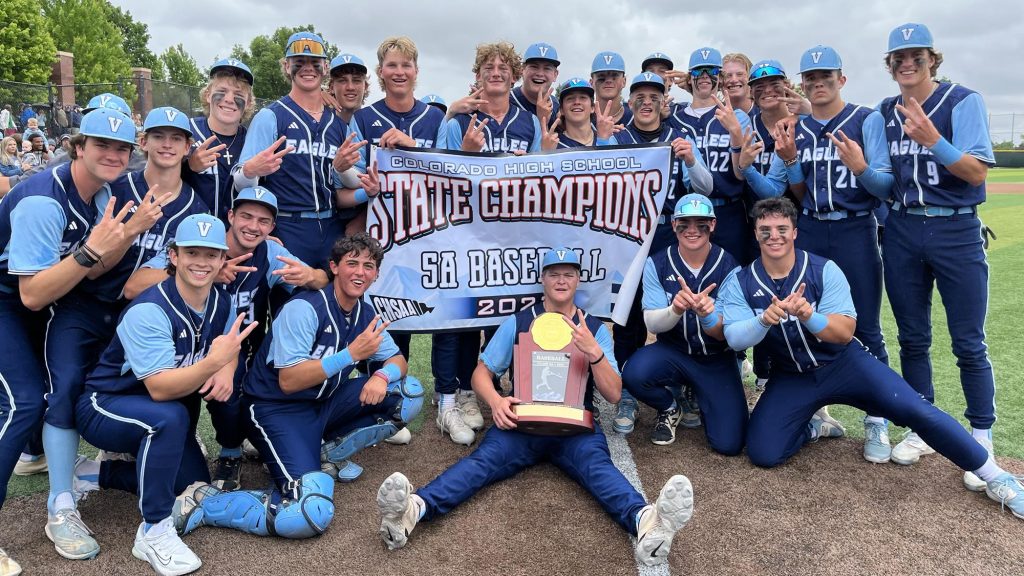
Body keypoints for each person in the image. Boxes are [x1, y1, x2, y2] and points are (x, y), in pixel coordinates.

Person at [375, 248, 695, 566]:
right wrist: (497, 401)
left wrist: (594, 353)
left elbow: (613, 394)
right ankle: (410, 512)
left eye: (568, 273)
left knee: (598, 469)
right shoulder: (520, 321)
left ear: (578, 279)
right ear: (542, 279)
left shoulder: (593, 328)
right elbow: (481, 373)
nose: (561, 280)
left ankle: (647, 524)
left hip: (575, 429)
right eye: (554, 273)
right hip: (521, 423)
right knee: (480, 464)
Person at [717, 197, 1024, 522]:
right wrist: (763, 320)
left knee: (916, 409)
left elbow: (845, 332)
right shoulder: (741, 279)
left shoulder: (823, 269)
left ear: (795, 232)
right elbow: (735, 337)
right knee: (764, 452)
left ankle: (996, 477)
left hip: (845, 365)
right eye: (765, 230)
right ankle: (815, 427)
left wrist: (810, 316)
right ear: (755, 233)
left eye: (782, 228)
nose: (774, 236)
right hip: (793, 376)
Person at [173, 233, 422, 539]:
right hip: (276, 409)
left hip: (324, 403)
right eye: (352, 263)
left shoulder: (365, 313)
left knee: (407, 393)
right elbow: (289, 381)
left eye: (368, 266)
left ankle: (326, 453)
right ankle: (204, 503)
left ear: (376, 274)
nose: (360, 272)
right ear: (333, 267)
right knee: (307, 514)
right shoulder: (304, 308)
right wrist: (351, 355)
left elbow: (397, 359)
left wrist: (381, 376)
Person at [39, 107, 192, 563]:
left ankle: (106, 467)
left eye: (176, 138)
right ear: (142, 143)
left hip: (140, 317)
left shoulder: (194, 203)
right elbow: (93, 268)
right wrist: (130, 231)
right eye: (157, 136)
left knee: (151, 393)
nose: (166, 145)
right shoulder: (113, 185)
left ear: (187, 146)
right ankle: (60, 503)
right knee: (64, 388)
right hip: (84, 306)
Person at [74, 214, 256, 576]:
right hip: (106, 406)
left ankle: (93, 475)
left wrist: (227, 367)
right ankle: (153, 530)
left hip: (153, 409)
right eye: (192, 252)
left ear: (222, 260)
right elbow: (160, 388)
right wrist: (213, 363)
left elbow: (229, 346)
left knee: (190, 484)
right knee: (169, 418)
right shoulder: (151, 307)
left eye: (210, 254)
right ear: (173, 256)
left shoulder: (221, 300)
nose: (201, 262)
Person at [738, 47, 894, 462]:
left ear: (841, 79)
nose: (818, 82)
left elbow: (884, 187)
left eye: (825, 75)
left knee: (866, 324)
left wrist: (860, 168)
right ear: (802, 83)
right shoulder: (794, 127)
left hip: (856, 227)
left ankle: (877, 420)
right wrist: (772, 163)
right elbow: (777, 193)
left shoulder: (866, 119)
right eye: (811, 76)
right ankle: (813, 410)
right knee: (801, 318)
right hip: (809, 228)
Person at [0, 107, 138, 569]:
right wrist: (95, 248)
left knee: (62, 379)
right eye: (102, 145)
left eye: (122, 148)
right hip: (11, 299)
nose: (113, 155)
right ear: (79, 147)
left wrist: (123, 238)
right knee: (23, 402)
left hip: (42, 297)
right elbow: (33, 294)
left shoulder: (102, 193)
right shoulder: (44, 200)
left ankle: (35, 454)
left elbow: (84, 270)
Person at [127, 186, 329, 490]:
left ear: (272, 227)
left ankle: (231, 451)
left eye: (263, 221)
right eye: (246, 216)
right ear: (231, 216)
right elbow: (133, 287)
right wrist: (205, 271)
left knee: (231, 395)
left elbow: (320, 278)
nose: (253, 226)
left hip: (234, 348)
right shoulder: (203, 243)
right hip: (180, 345)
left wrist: (311, 276)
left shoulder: (270, 252)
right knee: (178, 448)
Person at [877, 24, 999, 491]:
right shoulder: (887, 111)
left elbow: (974, 172)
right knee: (912, 337)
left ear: (933, 58)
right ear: (890, 65)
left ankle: (980, 435)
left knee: (969, 341)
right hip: (904, 225)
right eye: (898, 57)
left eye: (915, 55)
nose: (906, 63)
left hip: (955, 226)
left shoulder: (962, 100)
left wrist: (934, 139)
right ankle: (922, 426)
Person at [609, 71, 714, 434]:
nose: (647, 101)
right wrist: (606, 143)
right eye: (640, 95)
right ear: (630, 101)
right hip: (628, 234)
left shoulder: (678, 138)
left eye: (654, 95)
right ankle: (627, 391)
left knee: (676, 313)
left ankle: (677, 388)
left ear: (663, 99)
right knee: (628, 318)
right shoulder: (620, 138)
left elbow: (706, 186)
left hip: (669, 232)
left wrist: (690, 161)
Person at [345, 37, 446, 379]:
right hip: (382, 233)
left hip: (430, 231)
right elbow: (349, 177)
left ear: (416, 71)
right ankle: (387, 391)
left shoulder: (435, 118)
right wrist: (364, 186)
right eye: (392, 65)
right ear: (381, 72)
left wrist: (413, 148)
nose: (399, 72)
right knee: (388, 314)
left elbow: (453, 173)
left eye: (406, 65)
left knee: (441, 313)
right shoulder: (363, 117)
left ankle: (447, 395)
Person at [623, 195, 746, 450]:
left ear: (712, 225)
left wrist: (707, 315)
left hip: (716, 357)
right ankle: (670, 406)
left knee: (729, 444)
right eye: (684, 223)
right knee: (634, 373)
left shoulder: (730, 267)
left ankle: (697, 390)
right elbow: (653, 325)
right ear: (674, 225)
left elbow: (723, 334)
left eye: (700, 223)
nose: (692, 230)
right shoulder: (657, 262)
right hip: (673, 351)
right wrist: (675, 309)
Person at [233, 31, 363, 270]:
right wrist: (251, 170)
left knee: (332, 300)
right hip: (287, 225)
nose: (308, 68)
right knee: (290, 302)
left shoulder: (337, 123)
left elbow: (349, 181)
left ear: (325, 67)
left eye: (315, 63)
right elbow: (242, 183)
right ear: (286, 66)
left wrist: (344, 171)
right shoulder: (271, 116)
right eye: (299, 62)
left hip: (330, 225)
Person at [669, 47, 754, 264]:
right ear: (690, 77)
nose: (705, 76)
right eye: (698, 71)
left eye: (711, 71)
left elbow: (743, 173)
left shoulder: (738, 117)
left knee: (734, 273)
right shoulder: (674, 121)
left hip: (729, 209)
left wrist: (735, 132)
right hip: (689, 214)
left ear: (721, 78)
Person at [184, 58, 256, 223]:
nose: (229, 99)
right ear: (208, 94)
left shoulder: (252, 141)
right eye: (222, 91)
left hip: (238, 239)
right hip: (191, 238)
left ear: (249, 102)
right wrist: (189, 167)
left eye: (238, 95)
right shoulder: (186, 131)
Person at [552, 77, 617, 148]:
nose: (577, 102)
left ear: (592, 107)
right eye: (570, 98)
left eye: (583, 97)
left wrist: (603, 141)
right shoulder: (553, 144)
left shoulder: (609, 138)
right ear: (562, 110)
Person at [510, 42, 560, 122]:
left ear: (555, 75)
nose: (540, 74)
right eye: (534, 67)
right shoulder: (507, 102)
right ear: (522, 70)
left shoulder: (556, 105)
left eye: (547, 68)